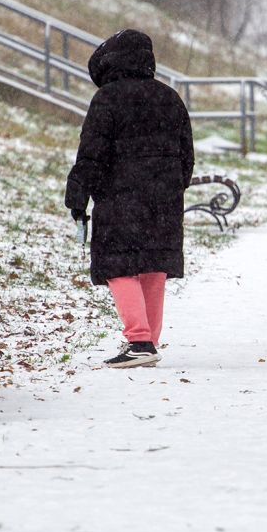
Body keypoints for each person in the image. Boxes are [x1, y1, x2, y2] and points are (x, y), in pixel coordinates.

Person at [66, 28, 194, 368]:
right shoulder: (170, 98)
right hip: (165, 200)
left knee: (117, 263)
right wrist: (173, 187)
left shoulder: (107, 99)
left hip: (119, 198)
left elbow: (92, 154)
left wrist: (78, 195)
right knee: (154, 265)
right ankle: (149, 340)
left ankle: (139, 340)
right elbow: (187, 156)